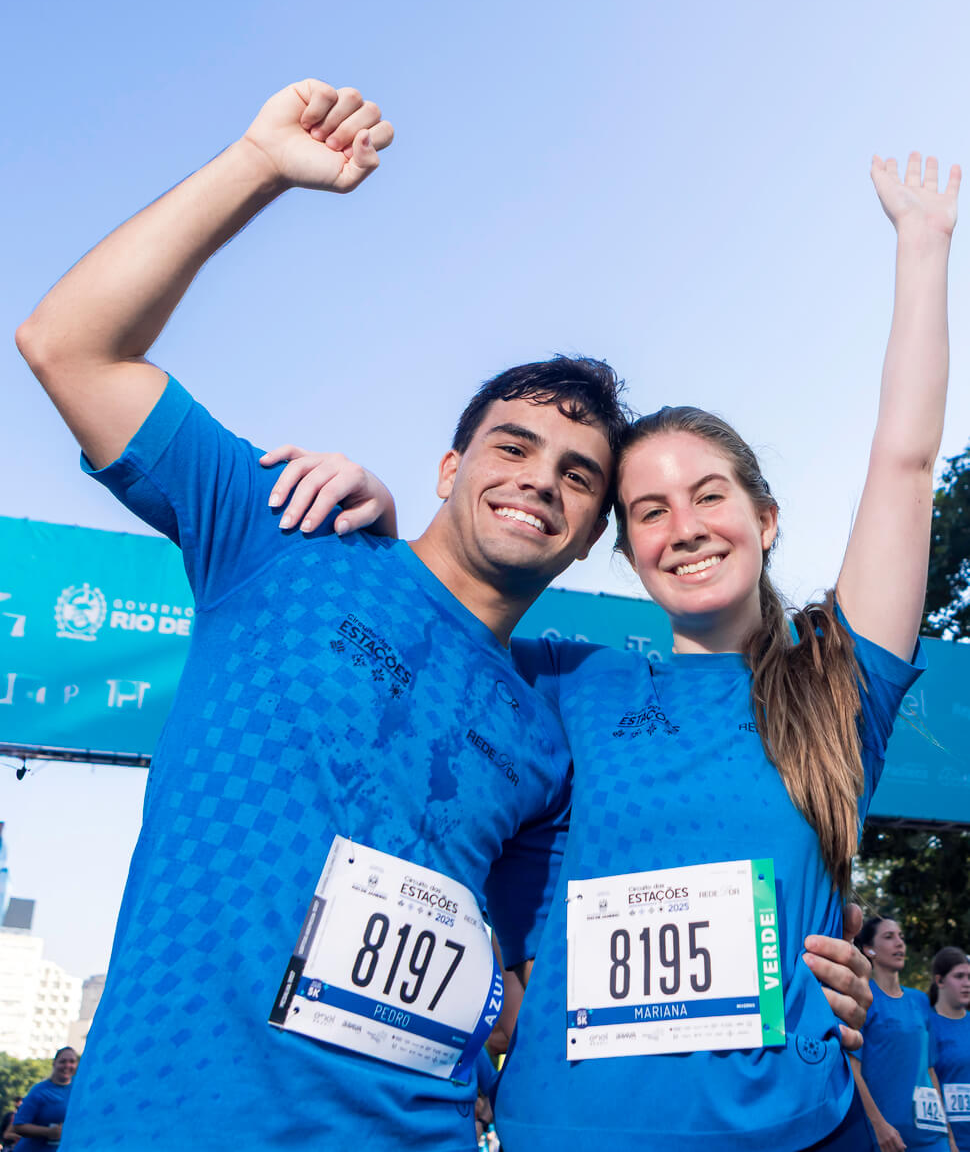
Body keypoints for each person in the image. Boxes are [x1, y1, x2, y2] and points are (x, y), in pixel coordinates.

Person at [16, 77, 872, 1151]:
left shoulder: (546, 729)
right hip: (171, 1121)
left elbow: (570, 965)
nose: (540, 479)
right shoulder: (284, 534)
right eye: (512, 446)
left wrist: (804, 986)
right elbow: (68, 343)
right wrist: (259, 164)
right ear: (447, 466)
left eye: (579, 475)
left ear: (589, 534)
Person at [277, 150, 959, 1150]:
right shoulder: (561, 679)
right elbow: (433, 622)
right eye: (649, 510)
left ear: (765, 519)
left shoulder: (834, 684)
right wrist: (384, 530)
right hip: (566, 1128)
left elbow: (904, 465)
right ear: (627, 548)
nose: (685, 527)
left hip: (796, 1133)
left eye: (709, 495)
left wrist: (924, 247)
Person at [852, 918, 955, 1150]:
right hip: (889, 1139)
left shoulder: (919, 1000)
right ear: (869, 950)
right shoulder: (863, 998)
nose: (899, 943)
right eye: (889, 937)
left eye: (901, 937)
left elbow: (929, 1070)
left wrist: (949, 1136)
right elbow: (852, 1069)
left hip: (933, 1136)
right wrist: (879, 1126)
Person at [929, 946, 970, 1149]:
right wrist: (949, 1140)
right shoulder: (924, 1026)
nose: (967, 983)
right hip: (942, 1141)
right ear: (940, 981)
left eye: (969, 977)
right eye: (959, 976)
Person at [12, 1049, 78, 1150]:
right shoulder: (39, 1091)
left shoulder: (79, 1088)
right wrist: (49, 1132)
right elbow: (18, 1126)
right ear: (54, 1063)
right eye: (63, 1061)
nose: (67, 1065)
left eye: (72, 1061)